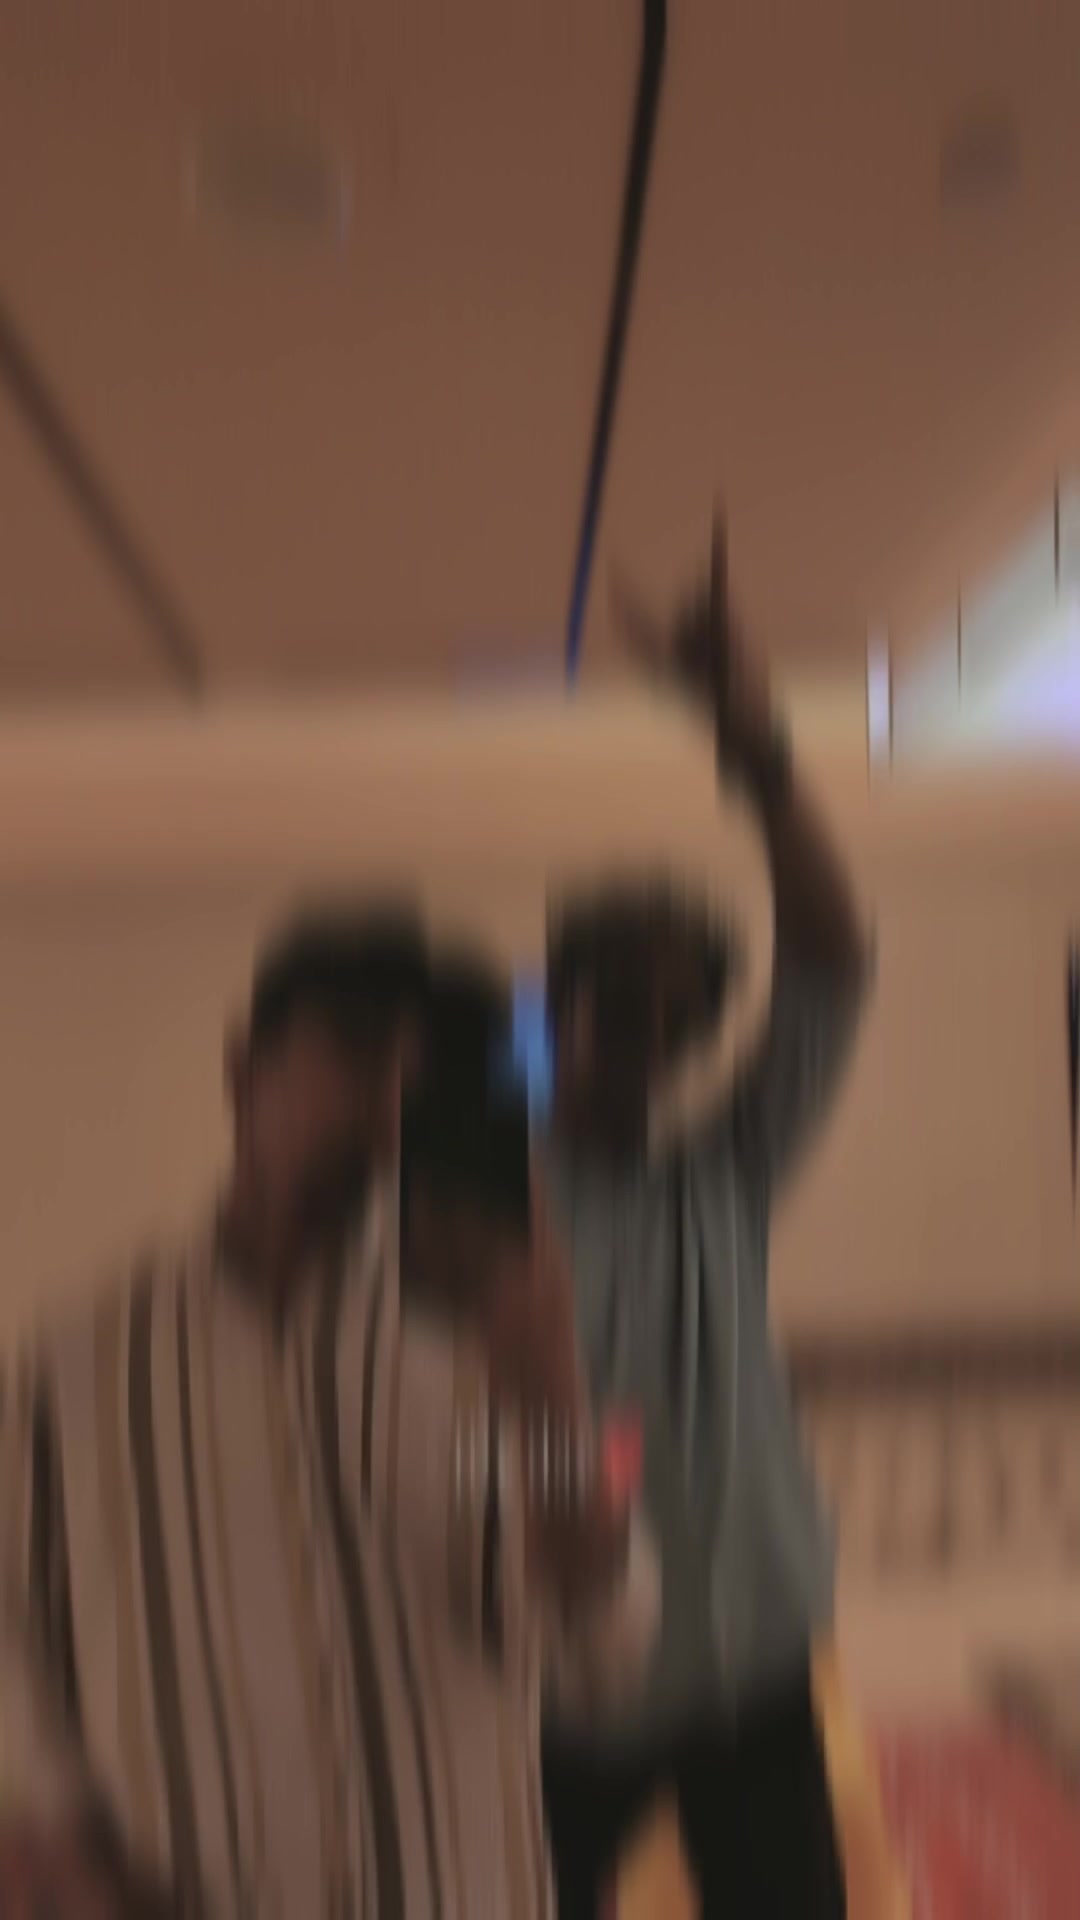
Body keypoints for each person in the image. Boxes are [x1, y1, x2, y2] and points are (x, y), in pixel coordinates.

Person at [0, 907, 655, 1918]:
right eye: (358, 1053)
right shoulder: (69, 1371)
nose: (390, 1105)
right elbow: (13, 1636)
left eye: (427, 1079)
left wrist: (551, 1389)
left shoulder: (496, 1348)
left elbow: (610, 1642)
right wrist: (69, 1848)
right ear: (242, 1071)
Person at [541, 522, 872, 1918]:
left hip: (750, 1676)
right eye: (621, 1000)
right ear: (556, 1003)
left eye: (681, 1018)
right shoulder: (462, 1201)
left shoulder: (718, 1178)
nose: (651, 1037)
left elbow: (833, 969)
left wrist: (755, 743)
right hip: (557, 1696)